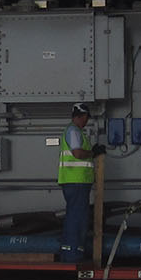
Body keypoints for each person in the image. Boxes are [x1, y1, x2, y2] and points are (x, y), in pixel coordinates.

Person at [57, 103, 103, 262]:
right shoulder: (74, 131)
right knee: (77, 218)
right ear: (82, 116)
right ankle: (73, 255)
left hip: (75, 182)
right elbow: (77, 153)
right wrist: (93, 152)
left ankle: (70, 252)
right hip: (76, 181)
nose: (86, 121)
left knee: (75, 216)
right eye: (86, 118)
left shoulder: (74, 131)